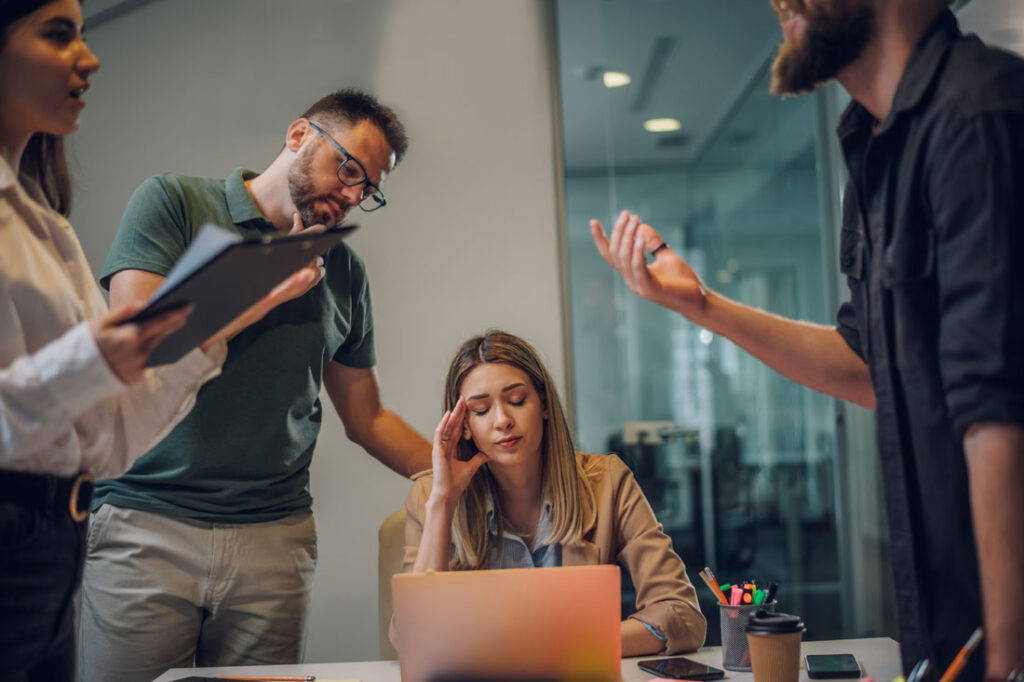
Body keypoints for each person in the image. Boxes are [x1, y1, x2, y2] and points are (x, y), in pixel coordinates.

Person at [590, 0, 1024, 679]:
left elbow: (998, 413)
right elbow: (869, 367)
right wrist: (702, 306)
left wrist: (1003, 661)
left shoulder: (980, 113)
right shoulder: (877, 152)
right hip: (948, 637)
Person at [0, 1, 322, 679]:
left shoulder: (43, 222)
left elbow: (108, 437)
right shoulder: (168, 200)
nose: (89, 58)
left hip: (61, 534)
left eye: (85, 35)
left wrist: (224, 316)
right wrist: (88, 362)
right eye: (59, 35)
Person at [79, 89, 433, 680]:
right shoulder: (174, 203)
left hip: (274, 537)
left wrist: (466, 475)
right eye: (348, 169)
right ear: (299, 136)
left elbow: (368, 419)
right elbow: (140, 344)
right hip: (146, 522)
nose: (351, 196)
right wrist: (264, 291)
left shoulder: (342, 268)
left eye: (367, 190)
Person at [394, 330, 706, 657]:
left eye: (516, 400)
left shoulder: (607, 482)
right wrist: (443, 502)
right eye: (482, 410)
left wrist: (563, 647)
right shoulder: (430, 495)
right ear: (465, 426)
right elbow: (414, 640)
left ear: (543, 404)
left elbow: (682, 615)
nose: (502, 420)